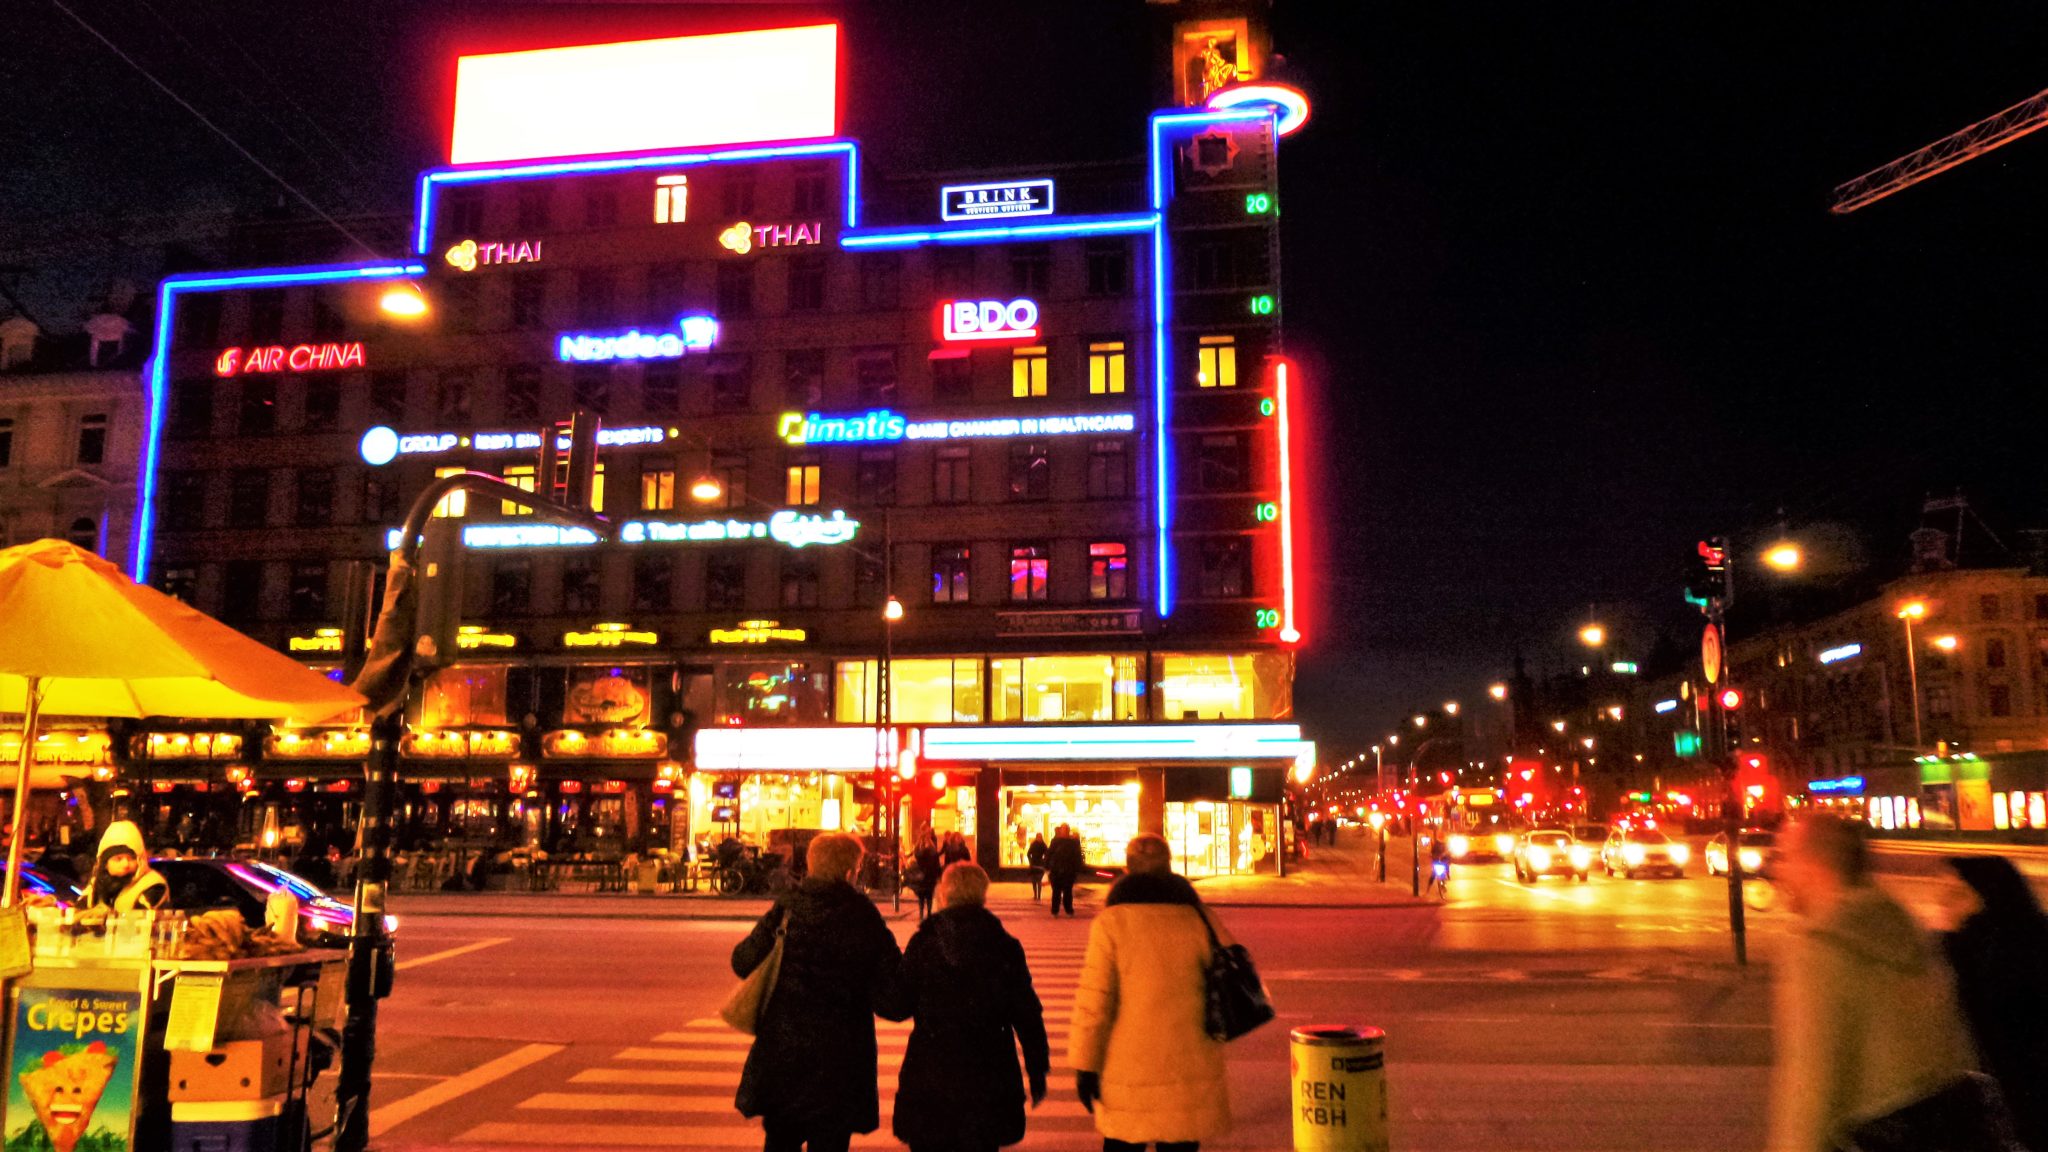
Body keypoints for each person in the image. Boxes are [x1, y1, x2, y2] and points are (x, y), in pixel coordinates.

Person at [1766, 814, 1975, 1152]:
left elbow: (1810, 1088)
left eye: (1784, 857)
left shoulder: (1820, 947)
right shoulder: (1904, 929)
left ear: (1813, 865)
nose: (1776, 871)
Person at [731, 832, 902, 1152]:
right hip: (839, 1063)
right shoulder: (863, 917)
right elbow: (892, 1001)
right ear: (851, 870)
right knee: (831, 1141)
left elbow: (742, 961)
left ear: (811, 864)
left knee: (780, 1140)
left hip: (784, 1055)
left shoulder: (788, 908)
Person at [1069, 833, 1232, 1151]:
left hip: (1128, 1070)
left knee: (1124, 1143)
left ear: (1127, 868)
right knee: (1180, 1142)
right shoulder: (1198, 918)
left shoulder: (1112, 922)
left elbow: (1095, 1002)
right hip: (1189, 1065)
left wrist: (1085, 1064)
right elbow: (1228, 974)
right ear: (1169, 867)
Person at [879, 862, 1050, 1152]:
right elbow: (1027, 1013)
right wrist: (1037, 1069)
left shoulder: (925, 944)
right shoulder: (1003, 945)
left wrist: (882, 969)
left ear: (944, 895)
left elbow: (896, 1006)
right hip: (989, 1072)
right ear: (983, 895)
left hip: (932, 1072)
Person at [1942, 855, 2048, 1152]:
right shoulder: (2031, 940)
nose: (1944, 905)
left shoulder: (1980, 957)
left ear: (1990, 899)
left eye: (1956, 895)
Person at [82, 821, 167, 913]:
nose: (126, 864)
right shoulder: (96, 884)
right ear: (105, 864)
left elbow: (139, 919)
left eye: (132, 859)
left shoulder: (153, 884)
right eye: (118, 859)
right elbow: (78, 911)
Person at [1045, 824, 1083, 918]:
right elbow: (1049, 855)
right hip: (1056, 871)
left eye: (1066, 829)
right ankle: (1055, 911)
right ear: (1060, 830)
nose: (1065, 831)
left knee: (1067, 892)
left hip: (1068, 872)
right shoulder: (1055, 842)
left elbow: (1077, 857)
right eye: (1063, 829)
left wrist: (1077, 869)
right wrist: (1047, 867)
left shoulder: (1073, 843)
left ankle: (1068, 910)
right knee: (1056, 892)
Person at [912, 832, 943, 921]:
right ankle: (929, 913)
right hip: (930, 877)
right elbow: (937, 865)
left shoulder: (922, 853)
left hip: (922, 877)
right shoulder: (933, 852)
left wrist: (918, 844)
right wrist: (938, 876)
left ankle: (921, 913)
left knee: (921, 896)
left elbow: (917, 854)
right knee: (929, 896)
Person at [1027, 833, 1049, 902]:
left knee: (1037, 881)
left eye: (1040, 837)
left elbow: (1028, 854)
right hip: (1038, 864)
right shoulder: (1042, 844)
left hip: (1035, 864)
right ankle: (1036, 895)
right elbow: (1047, 854)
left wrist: (1031, 861)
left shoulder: (1034, 844)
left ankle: (1037, 895)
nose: (1039, 838)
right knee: (1035, 881)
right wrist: (1043, 860)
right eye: (1039, 837)